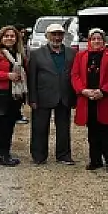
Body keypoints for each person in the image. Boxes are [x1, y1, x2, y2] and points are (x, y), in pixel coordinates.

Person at [72, 28, 108, 172]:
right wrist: (83, 90)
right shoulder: (81, 55)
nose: (96, 41)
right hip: (88, 99)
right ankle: (95, 160)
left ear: (104, 40)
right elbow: (75, 75)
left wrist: (103, 91)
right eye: (93, 39)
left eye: (99, 38)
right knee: (93, 132)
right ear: (89, 41)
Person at [27, 23, 76, 165]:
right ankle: (39, 156)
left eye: (59, 34)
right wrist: (32, 98)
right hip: (43, 96)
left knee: (64, 127)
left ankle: (63, 155)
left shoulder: (72, 53)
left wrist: (74, 98)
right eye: (53, 34)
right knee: (40, 127)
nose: (57, 37)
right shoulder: (36, 54)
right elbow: (32, 78)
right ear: (47, 36)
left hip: (64, 96)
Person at [0, 25, 29, 167]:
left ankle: (6, 153)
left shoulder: (19, 54)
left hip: (15, 95)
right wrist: (7, 76)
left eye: (12, 36)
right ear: (1, 38)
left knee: (9, 125)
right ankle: (0, 155)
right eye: (6, 36)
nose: (9, 38)